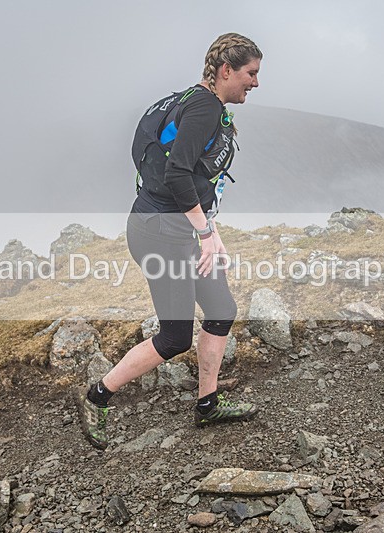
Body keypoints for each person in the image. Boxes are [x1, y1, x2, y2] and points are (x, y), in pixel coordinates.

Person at [78, 33, 262, 450]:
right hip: (161, 233)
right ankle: (96, 397)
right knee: (175, 336)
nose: (255, 83)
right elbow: (178, 174)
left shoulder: (180, 100)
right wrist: (207, 233)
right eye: (251, 74)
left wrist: (203, 231)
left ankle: (207, 404)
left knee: (221, 309)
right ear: (226, 71)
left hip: (169, 227)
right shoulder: (204, 107)